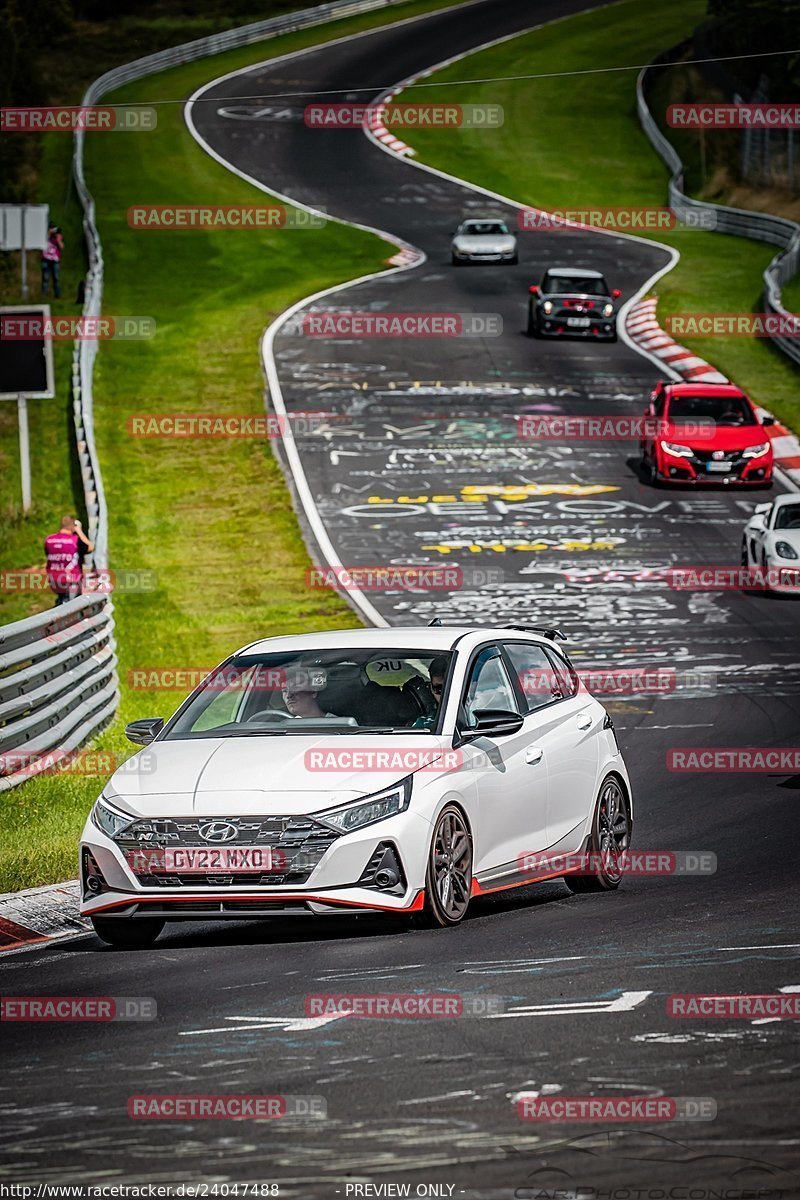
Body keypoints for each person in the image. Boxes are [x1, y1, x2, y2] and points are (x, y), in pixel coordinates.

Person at [44, 516, 93, 605]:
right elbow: (90, 547)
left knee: (62, 600)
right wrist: (79, 531)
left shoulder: (49, 540)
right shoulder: (75, 540)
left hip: (54, 580)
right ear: (72, 527)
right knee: (72, 605)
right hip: (71, 580)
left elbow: (48, 555)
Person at [411, 656, 449, 730]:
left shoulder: (474, 716)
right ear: (431, 689)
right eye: (439, 688)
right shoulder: (422, 725)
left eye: (450, 687)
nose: (446, 694)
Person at [41, 224, 64, 299]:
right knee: (45, 278)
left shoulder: (58, 237)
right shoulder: (45, 237)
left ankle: (57, 294)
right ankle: (44, 295)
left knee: (56, 278)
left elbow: (62, 247)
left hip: (55, 260)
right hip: (46, 259)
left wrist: (58, 239)